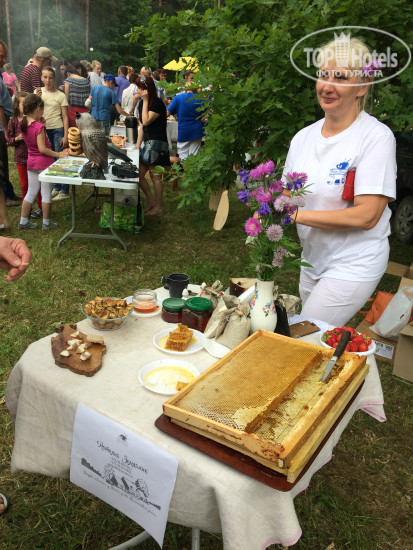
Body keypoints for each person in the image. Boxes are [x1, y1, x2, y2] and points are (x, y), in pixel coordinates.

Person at [284, 37, 397, 327]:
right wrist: (267, 205)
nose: (327, 86)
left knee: (305, 332)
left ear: (362, 86)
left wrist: (295, 216)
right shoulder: (303, 138)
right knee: (320, 338)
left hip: (355, 260)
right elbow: (286, 194)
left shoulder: (375, 138)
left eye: (340, 77)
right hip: (312, 258)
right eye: (323, 75)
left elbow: (367, 216)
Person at [18, 93, 68, 230]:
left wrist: (42, 125)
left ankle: (23, 221)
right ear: (38, 109)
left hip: (31, 163)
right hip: (44, 163)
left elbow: (33, 142)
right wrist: (58, 154)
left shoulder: (22, 124)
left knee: (31, 192)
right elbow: (42, 149)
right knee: (46, 193)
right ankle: (46, 223)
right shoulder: (38, 127)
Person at [135, 75, 170, 216]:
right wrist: (138, 144)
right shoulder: (142, 103)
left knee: (155, 177)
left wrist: (145, 100)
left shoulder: (157, 103)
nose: (137, 90)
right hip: (147, 144)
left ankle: (158, 207)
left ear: (146, 89)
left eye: (139, 87)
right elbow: (142, 126)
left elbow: (147, 120)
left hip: (157, 143)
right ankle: (151, 201)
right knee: (138, 175)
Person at [7, 91, 42, 219]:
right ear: (17, 105)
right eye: (23, 103)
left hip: (35, 158)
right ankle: (27, 209)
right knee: (24, 185)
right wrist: (17, 138)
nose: (26, 105)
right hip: (21, 158)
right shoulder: (13, 122)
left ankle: (41, 208)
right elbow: (9, 141)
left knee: (39, 184)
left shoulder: (33, 120)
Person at [37, 66, 69, 200]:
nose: (48, 80)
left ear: (55, 79)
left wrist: (66, 135)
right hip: (43, 129)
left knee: (61, 158)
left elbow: (65, 117)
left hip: (57, 128)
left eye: (50, 78)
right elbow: (33, 110)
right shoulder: (38, 92)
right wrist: (37, 97)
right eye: (45, 77)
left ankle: (65, 190)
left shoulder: (60, 95)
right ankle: (56, 186)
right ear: (41, 78)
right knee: (51, 159)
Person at [0, 39, 20, 206]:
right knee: (1, 163)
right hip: (1, 126)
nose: (4, 60)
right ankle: (5, 197)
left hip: (4, 122)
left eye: (5, 56)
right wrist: (6, 130)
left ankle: (9, 192)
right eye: (1, 56)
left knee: (4, 162)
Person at [167, 86, 205, 161]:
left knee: (183, 157)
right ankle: (192, 168)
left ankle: (185, 168)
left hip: (184, 131)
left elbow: (167, 113)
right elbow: (211, 108)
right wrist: (206, 116)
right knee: (194, 156)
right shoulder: (200, 98)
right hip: (197, 130)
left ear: (185, 89)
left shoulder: (178, 98)